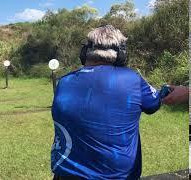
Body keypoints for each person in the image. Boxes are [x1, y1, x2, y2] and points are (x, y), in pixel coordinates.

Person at [51, 25, 161, 180]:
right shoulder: (132, 79)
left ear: (85, 52)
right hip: (116, 176)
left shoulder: (64, 82)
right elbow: (153, 104)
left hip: (65, 174)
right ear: (121, 53)